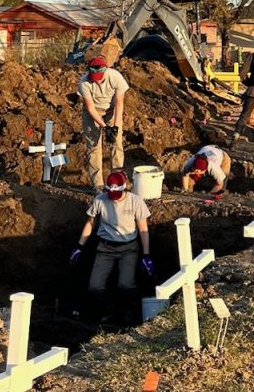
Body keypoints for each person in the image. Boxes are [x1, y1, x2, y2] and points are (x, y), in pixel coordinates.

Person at [70, 170, 153, 327]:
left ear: (125, 188)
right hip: (105, 248)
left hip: (129, 248)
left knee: (125, 285)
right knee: (95, 287)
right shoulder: (100, 200)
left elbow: (143, 229)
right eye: (110, 193)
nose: (113, 198)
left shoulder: (135, 202)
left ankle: (128, 313)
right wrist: (79, 246)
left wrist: (146, 255)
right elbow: (90, 222)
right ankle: (108, 310)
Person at [78, 56, 130, 191]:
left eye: (99, 78)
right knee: (94, 147)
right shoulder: (84, 82)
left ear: (105, 71)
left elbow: (119, 103)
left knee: (117, 144)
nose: (97, 81)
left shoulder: (116, 77)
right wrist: (105, 127)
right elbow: (90, 108)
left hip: (111, 110)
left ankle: (118, 181)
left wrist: (115, 127)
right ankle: (98, 186)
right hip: (92, 113)